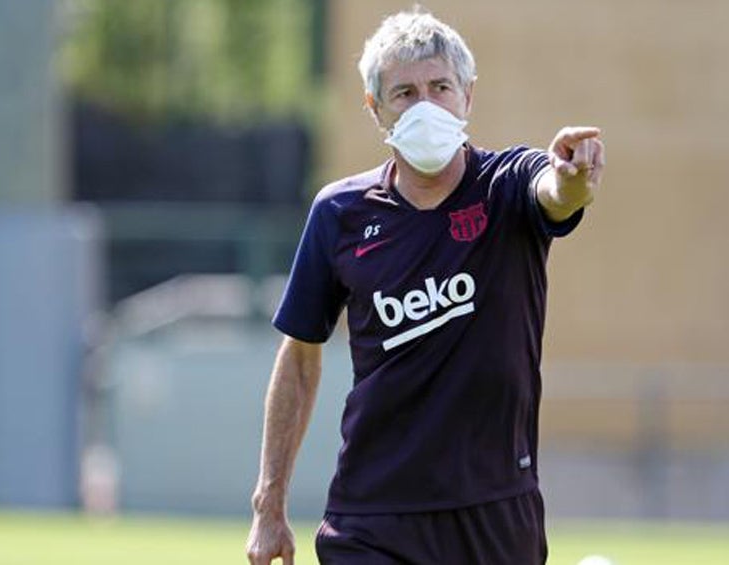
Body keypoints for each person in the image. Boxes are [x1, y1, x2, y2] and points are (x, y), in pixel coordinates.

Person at [246, 8, 604, 565]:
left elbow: (554, 194)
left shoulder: (505, 186)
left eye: (441, 88)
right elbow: (298, 358)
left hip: (494, 510)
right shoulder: (339, 213)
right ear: (376, 109)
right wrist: (269, 506)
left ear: (468, 97)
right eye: (405, 93)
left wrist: (572, 178)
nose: (426, 106)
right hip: (373, 514)